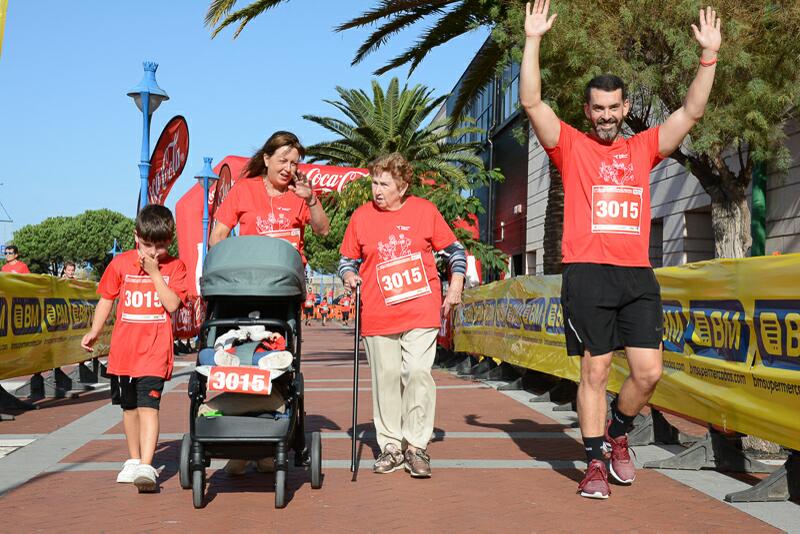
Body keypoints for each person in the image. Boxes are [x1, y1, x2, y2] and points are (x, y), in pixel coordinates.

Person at [520, 1, 721, 499]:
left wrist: (708, 58)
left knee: (649, 371)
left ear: (625, 109)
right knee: (596, 368)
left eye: (614, 108)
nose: (606, 116)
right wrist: (533, 40)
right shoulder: (570, 145)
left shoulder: (643, 148)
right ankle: (592, 464)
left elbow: (691, 111)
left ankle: (617, 433)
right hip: (588, 272)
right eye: (598, 109)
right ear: (587, 111)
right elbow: (531, 103)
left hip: (636, 274)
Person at [338, 152, 467, 478]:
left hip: (420, 309)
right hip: (378, 314)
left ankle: (416, 445)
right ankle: (391, 446)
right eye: (374, 182)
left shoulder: (424, 212)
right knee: (387, 380)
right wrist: (349, 276)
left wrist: (455, 285)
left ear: (403, 185)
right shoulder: (361, 217)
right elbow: (346, 260)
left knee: (417, 374)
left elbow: (455, 252)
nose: (377, 190)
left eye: (384, 183)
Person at [81, 204, 188, 493]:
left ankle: (146, 465)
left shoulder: (175, 267)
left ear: (171, 240)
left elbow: (172, 304)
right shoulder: (120, 265)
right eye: (147, 245)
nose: (153, 252)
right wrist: (95, 330)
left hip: (154, 354)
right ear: (135, 237)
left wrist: (155, 273)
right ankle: (133, 459)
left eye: (161, 246)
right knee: (128, 409)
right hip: (123, 353)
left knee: (148, 407)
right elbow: (106, 298)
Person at [209, 130, 330, 264]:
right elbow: (217, 236)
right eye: (283, 161)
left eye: (293, 164)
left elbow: (323, 230)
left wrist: (311, 199)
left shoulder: (301, 193)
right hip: (251, 275)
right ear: (267, 159)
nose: (288, 169)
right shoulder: (243, 189)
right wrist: (231, 268)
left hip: (289, 277)